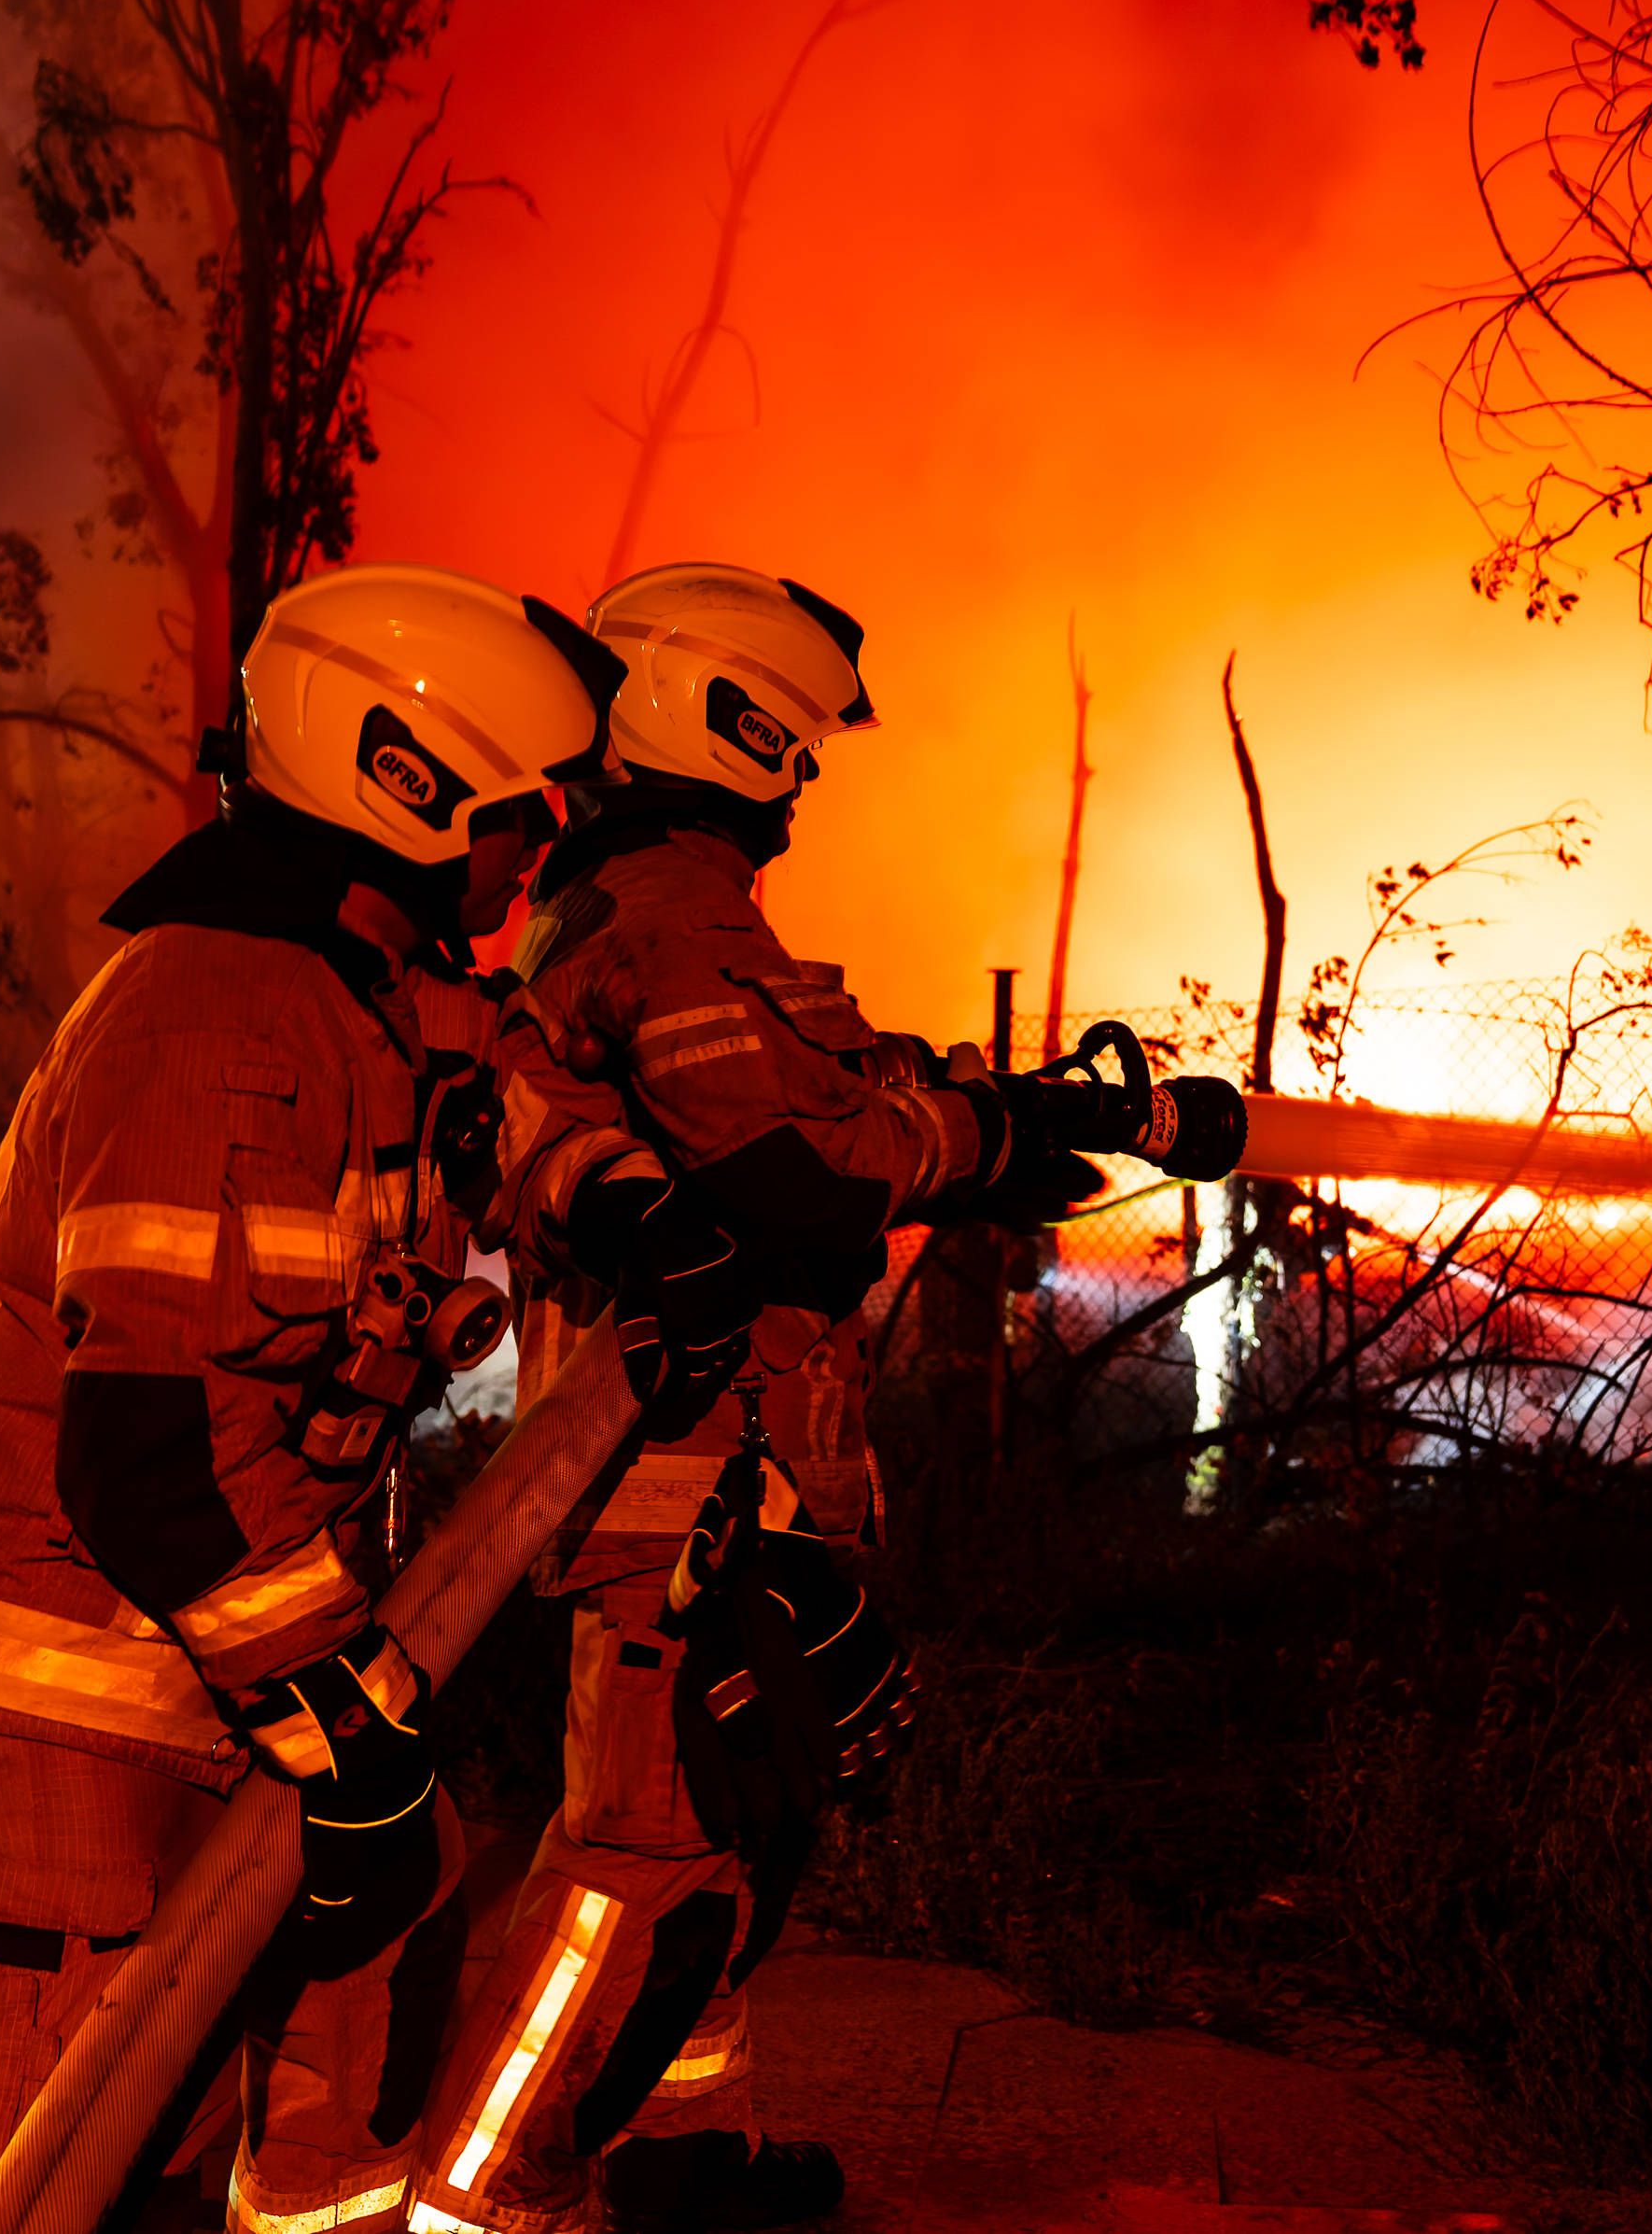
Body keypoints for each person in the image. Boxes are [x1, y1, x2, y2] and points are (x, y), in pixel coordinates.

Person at [0, 565, 749, 2234]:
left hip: (204, 1631)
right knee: (52, 2139)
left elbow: (503, 1115)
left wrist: (628, 1203)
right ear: (402, 782)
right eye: (514, 808)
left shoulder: (364, 993)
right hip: (60, 1652)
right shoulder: (216, 1019)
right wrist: (334, 1723)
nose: (535, 845)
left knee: (308, 1993)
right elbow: (150, 1455)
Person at [412, 564, 1087, 2234]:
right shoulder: (673, 911)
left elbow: (811, 1092)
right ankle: (480, 2202)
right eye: (794, 746)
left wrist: (1003, 1105)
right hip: (685, 1476)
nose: (802, 783)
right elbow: (790, 1168)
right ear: (729, 724)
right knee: (639, 1866)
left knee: (716, 1842)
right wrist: (988, 1145)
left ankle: (680, 2156)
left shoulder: (639, 904)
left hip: (718, 1468)